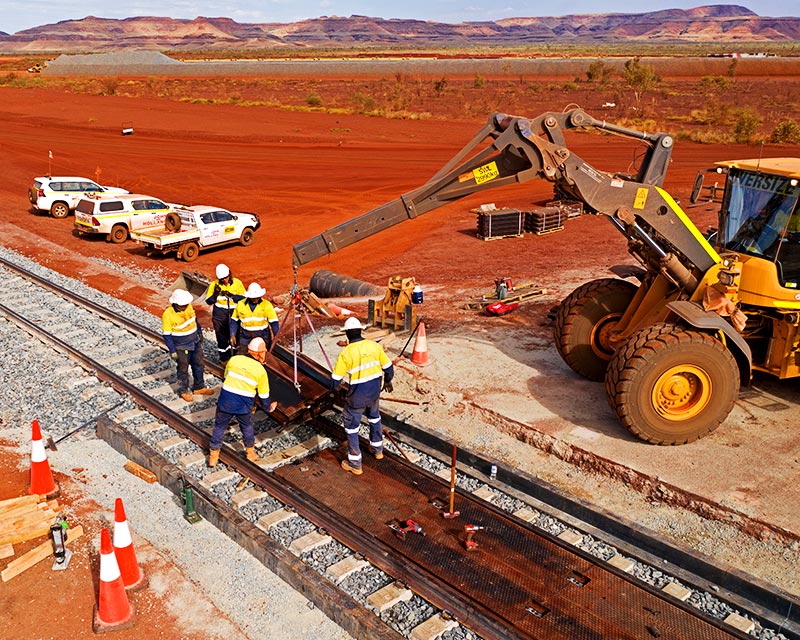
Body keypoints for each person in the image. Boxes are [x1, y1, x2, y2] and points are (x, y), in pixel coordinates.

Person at [330, 317, 394, 476]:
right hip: (374, 394)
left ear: (347, 335)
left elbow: (335, 381)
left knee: (352, 429)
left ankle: (355, 464)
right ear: (360, 331)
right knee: (374, 418)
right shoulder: (374, 346)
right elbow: (389, 368)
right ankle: (378, 450)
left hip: (356, 398)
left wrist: (333, 389)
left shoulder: (346, 353)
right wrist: (387, 381)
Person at [208, 337, 277, 467]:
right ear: (258, 353)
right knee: (246, 427)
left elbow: (226, 376)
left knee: (219, 427)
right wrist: (268, 408)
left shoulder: (234, 360)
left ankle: (213, 456)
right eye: (263, 352)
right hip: (243, 406)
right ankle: (250, 453)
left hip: (225, 401)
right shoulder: (260, 371)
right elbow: (263, 395)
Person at [161, 289, 215, 402]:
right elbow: (167, 335)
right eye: (182, 305)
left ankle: (199, 387)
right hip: (181, 347)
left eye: (185, 304)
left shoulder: (189, 307)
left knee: (199, 364)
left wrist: (199, 333)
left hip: (194, 342)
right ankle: (183, 390)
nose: (184, 307)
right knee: (183, 369)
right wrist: (172, 350)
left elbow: (195, 321)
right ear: (175, 303)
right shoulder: (168, 314)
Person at [204, 263, 246, 364]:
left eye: (226, 278)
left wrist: (233, 296)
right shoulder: (214, 285)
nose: (224, 280)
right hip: (219, 315)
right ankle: (224, 359)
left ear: (229, 274)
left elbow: (244, 297)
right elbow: (208, 301)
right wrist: (215, 294)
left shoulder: (237, 283)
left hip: (234, 314)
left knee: (235, 336)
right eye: (222, 279)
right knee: (222, 337)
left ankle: (235, 356)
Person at [230, 282, 280, 354]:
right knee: (243, 355)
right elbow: (234, 321)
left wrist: (276, 335)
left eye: (257, 297)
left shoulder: (266, 305)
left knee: (262, 355)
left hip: (262, 335)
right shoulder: (240, 304)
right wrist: (232, 334)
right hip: (245, 335)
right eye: (253, 298)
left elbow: (274, 322)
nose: (255, 300)